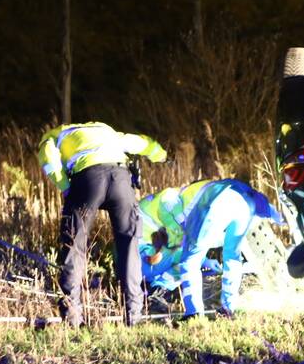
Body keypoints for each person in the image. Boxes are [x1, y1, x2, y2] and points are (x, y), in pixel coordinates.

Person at [38, 122, 167, 326]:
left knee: (74, 246)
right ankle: (134, 316)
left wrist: (65, 187)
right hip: (121, 179)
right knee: (129, 247)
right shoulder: (106, 131)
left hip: (87, 180)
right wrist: (160, 154)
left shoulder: (56, 135)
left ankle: (72, 318)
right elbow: (139, 142)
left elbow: (48, 159)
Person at [138, 179, 282, 317]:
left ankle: (193, 312)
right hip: (246, 205)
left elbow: (184, 244)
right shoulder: (178, 202)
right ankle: (228, 309)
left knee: (191, 260)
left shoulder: (187, 199)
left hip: (216, 202)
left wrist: (202, 259)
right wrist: (276, 215)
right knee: (230, 257)